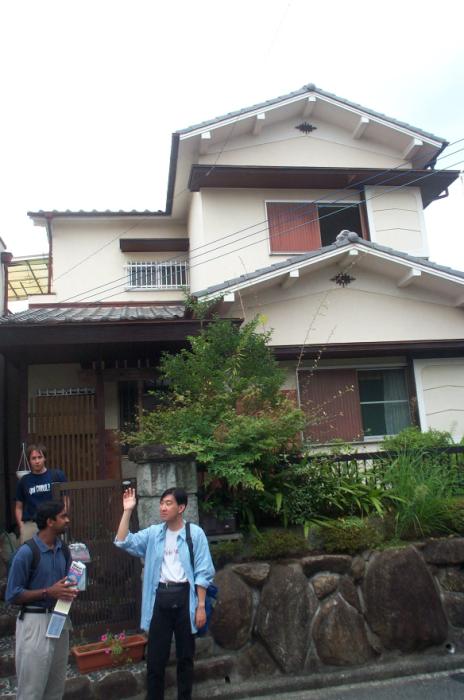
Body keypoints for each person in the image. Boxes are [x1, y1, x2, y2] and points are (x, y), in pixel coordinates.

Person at [115, 487, 215, 700]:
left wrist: (200, 606)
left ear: (181, 507)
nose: (163, 507)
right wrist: (127, 511)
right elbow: (123, 541)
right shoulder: (154, 534)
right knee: (155, 660)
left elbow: (203, 571)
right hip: (160, 598)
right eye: (161, 503)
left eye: (168, 503)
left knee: (185, 658)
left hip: (185, 598)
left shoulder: (194, 534)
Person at [6, 500, 77, 700]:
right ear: (50, 521)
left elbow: (65, 586)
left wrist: (71, 589)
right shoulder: (26, 553)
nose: (67, 520)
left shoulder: (64, 550)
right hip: (34, 621)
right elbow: (12, 594)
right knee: (31, 691)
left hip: (60, 619)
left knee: (55, 689)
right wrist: (48, 592)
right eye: (63, 516)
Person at [15, 444, 67, 544]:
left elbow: (66, 499)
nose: (37, 461)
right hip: (31, 524)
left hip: (53, 521)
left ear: (44, 458)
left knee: (57, 550)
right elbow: (18, 507)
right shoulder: (24, 481)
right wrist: (22, 527)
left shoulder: (57, 475)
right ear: (29, 460)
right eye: (34, 458)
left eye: (40, 457)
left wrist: (62, 516)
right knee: (29, 552)